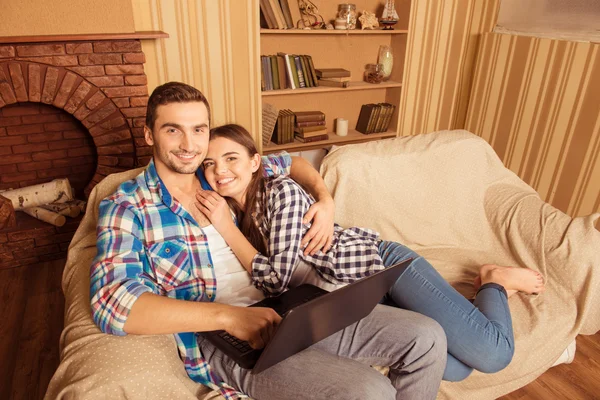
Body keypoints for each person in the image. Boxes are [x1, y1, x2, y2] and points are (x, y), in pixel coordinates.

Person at [90, 82, 447, 400]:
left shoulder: (218, 171)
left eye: (198, 129)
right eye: (173, 130)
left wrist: (325, 199)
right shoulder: (126, 206)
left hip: (287, 304)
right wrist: (228, 318)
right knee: (369, 390)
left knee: (427, 336)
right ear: (149, 134)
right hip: (222, 336)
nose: (189, 145)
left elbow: (289, 162)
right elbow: (112, 305)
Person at [195, 123, 546, 382]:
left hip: (382, 267)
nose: (221, 170)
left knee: (493, 353)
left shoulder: (278, 192)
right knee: (454, 367)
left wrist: (227, 225)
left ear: (256, 161)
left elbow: (276, 279)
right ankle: (465, 309)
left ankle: (493, 282)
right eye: (210, 163)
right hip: (357, 296)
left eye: (230, 158)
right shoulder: (238, 212)